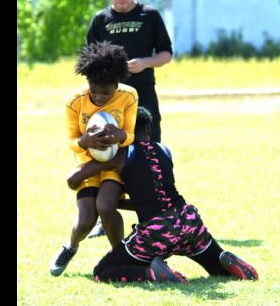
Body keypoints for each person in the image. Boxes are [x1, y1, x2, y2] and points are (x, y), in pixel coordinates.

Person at [67, 107, 259, 283]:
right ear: (148, 130)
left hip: (157, 231)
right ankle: (222, 260)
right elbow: (155, 197)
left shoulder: (121, 154)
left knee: (103, 271)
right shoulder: (164, 150)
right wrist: (121, 204)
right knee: (215, 267)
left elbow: (73, 179)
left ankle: (152, 273)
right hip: (188, 221)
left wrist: (95, 157)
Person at [85, 0, 173, 239]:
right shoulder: (100, 19)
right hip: (109, 100)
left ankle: (155, 214)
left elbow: (167, 54)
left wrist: (145, 63)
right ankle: (105, 213)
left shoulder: (150, 15)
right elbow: (88, 59)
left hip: (143, 95)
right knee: (108, 154)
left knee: (146, 150)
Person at [49, 41, 138, 277]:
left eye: (105, 93)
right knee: (87, 219)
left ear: (117, 85)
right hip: (87, 165)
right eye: (93, 90)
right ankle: (70, 246)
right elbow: (70, 140)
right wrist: (83, 142)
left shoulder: (129, 96)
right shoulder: (74, 101)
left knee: (106, 206)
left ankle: (121, 257)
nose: (98, 97)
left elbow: (131, 135)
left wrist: (121, 136)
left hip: (113, 164)